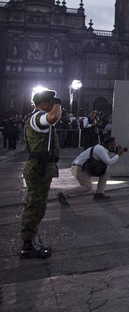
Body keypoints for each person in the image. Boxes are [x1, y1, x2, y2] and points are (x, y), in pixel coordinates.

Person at [19, 88, 61, 259]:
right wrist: (58, 104)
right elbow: (53, 117)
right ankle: (27, 245)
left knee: (37, 204)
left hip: (39, 167)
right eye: (50, 102)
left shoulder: (35, 118)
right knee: (35, 205)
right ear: (43, 104)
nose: (52, 105)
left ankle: (30, 241)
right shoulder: (38, 117)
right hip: (38, 168)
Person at [57, 136, 125, 204]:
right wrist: (118, 154)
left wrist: (115, 154)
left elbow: (107, 159)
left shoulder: (101, 148)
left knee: (104, 172)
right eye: (113, 145)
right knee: (87, 187)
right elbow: (109, 161)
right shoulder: (100, 149)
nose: (114, 147)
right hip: (79, 168)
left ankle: (99, 193)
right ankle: (64, 194)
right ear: (109, 145)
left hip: (85, 168)